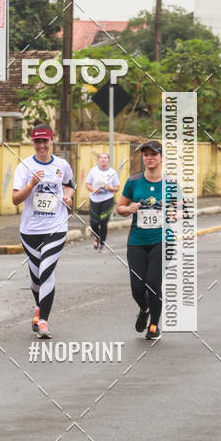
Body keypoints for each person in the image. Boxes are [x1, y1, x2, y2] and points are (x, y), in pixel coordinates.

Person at [12, 122, 75, 339]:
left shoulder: (62, 164)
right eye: (37, 141)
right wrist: (31, 184)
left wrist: (68, 196)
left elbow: (69, 184)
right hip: (30, 230)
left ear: (51, 140)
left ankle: (44, 321)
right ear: (32, 142)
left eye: (45, 141)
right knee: (35, 277)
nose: (41, 145)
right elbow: (15, 199)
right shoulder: (24, 167)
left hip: (56, 226)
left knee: (46, 270)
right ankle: (39, 308)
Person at [116, 139, 166, 341]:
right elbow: (120, 208)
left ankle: (154, 325)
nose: (149, 158)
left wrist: (173, 213)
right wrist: (128, 209)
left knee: (153, 283)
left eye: (153, 154)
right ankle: (144, 309)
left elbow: (183, 210)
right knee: (137, 288)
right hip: (136, 241)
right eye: (146, 155)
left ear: (161, 157)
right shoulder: (134, 181)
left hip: (161, 241)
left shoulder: (170, 183)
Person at [86, 152, 120, 252]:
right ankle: (97, 237)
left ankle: (102, 241)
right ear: (99, 160)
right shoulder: (93, 171)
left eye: (105, 158)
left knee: (103, 221)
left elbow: (117, 187)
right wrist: (93, 190)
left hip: (107, 199)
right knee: (94, 223)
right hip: (95, 199)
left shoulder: (113, 173)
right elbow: (88, 184)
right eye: (101, 158)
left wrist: (110, 188)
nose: (103, 159)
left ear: (108, 161)